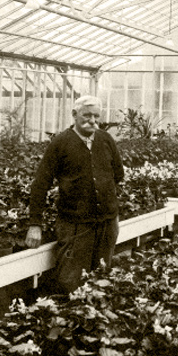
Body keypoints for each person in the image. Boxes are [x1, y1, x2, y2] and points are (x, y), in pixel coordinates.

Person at [25, 95, 124, 293]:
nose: (93, 121)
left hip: (107, 223)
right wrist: (35, 224)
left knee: (102, 277)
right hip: (75, 225)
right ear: (74, 114)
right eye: (87, 115)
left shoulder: (105, 139)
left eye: (96, 116)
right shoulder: (60, 143)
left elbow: (118, 174)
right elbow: (40, 184)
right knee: (70, 280)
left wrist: (106, 200)